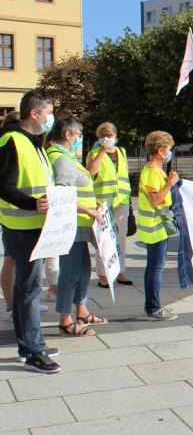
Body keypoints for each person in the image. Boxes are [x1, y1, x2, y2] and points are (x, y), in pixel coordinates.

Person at [0, 90, 61, 373]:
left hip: (35, 225)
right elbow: (3, 185)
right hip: (22, 226)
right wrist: (32, 203)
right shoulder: (11, 139)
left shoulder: (33, 142)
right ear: (34, 114)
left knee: (29, 287)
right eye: (49, 112)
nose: (52, 118)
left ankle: (29, 345)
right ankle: (33, 350)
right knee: (28, 289)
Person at [46, 118, 107, 336]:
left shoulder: (67, 157)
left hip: (80, 224)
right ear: (68, 135)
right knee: (70, 272)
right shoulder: (61, 160)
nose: (81, 138)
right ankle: (65, 319)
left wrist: (93, 203)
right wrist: (88, 210)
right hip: (72, 223)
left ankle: (81, 310)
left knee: (82, 268)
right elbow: (61, 196)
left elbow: (80, 187)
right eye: (79, 134)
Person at [137, 131, 180, 320]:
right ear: (161, 150)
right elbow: (154, 200)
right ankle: (153, 308)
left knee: (153, 267)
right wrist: (169, 183)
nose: (171, 152)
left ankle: (152, 305)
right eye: (169, 148)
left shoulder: (155, 169)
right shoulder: (152, 170)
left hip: (157, 226)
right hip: (155, 227)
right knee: (156, 268)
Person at [85, 122, 133, 288]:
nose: (108, 138)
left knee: (121, 237)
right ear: (99, 138)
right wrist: (102, 151)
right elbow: (91, 172)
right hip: (103, 201)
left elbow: (124, 173)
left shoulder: (122, 152)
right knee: (104, 238)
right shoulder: (94, 153)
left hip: (122, 200)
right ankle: (103, 274)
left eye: (110, 135)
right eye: (104, 136)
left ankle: (120, 271)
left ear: (115, 136)